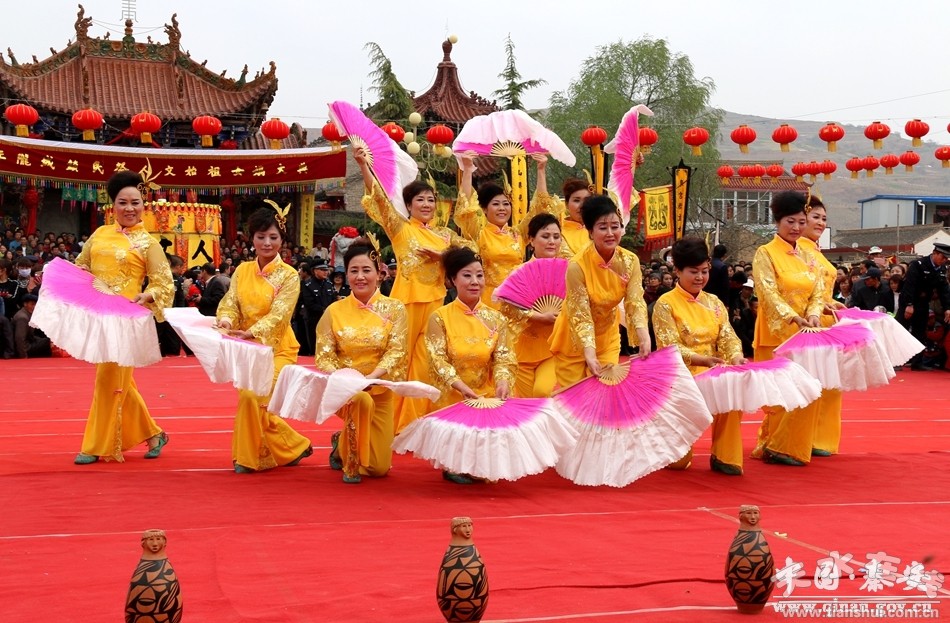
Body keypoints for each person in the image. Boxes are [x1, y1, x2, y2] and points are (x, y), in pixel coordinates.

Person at [354, 145, 472, 432]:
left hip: (435, 303)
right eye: (420, 200)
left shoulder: (446, 235)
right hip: (405, 304)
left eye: (431, 200)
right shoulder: (401, 228)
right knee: (397, 361)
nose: (427, 204)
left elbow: (471, 254)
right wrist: (363, 165)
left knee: (425, 362)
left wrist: (443, 256)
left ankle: (413, 424)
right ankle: (385, 422)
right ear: (408, 205)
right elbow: (379, 200)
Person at [74, 170, 174, 464]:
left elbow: (164, 283)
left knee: (108, 380)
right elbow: (81, 265)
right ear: (112, 205)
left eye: (135, 202)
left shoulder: (148, 244)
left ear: (144, 205)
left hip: (127, 319)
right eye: (123, 202)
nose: (130, 208)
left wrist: (148, 295)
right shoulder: (99, 234)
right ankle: (154, 433)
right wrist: (78, 274)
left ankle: (95, 446)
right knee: (120, 382)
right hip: (99, 318)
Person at [215, 206, 313, 473]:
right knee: (255, 404)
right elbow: (231, 302)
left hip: (278, 349)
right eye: (261, 236)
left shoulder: (289, 275)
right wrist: (226, 321)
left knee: (253, 397)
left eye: (273, 237)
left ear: (282, 239)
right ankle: (294, 445)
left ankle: (247, 458)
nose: (267, 243)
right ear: (252, 239)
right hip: (247, 349)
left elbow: (280, 314)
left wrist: (253, 331)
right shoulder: (242, 270)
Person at [315, 241, 408, 484]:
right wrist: (348, 381)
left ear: (379, 273)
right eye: (353, 270)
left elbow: (397, 350)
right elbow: (324, 356)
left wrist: (371, 378)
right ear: (346, 274)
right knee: (360, 400)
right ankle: (349, 456)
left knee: (378, 468)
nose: (360, 277)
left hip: (379, 390)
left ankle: (340, 444)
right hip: (346, 392)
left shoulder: (395, 309)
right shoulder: (334, 311)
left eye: (367, 270)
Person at [653, 238, 747, 474]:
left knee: (732, 386)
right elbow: (669, 347)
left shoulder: (714, 302)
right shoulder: (665, 304)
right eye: (693, 272)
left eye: (704, 271)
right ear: (677, 271)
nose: (700, 277)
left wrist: (736, 355)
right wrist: (702, 361)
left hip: (713, 370)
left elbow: (727, 336)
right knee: (678, 464)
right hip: (682, 375)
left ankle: (725, 455)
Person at [425, 246, 516, 484]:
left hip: (484, 395)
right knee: (463, 465)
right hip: (453, 396)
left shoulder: (496, 319)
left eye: (479, 275)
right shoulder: (439, 317)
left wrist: (503, 381)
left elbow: (504, 357)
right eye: (467, 275)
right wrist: (459, 386)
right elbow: (437, 359)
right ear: (452, 280)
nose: (475, 281)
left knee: (488, 473)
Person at [750, 190, 824, 466]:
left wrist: (813, 314)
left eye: (801, 222)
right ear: (778, 221)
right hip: (775, 333)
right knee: (778, 394)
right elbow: (767, 292)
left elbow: (817, 290)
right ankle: (772, 445)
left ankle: (790, 446)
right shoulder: (765, 253)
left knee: (805, 390)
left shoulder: (808, 255)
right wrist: (792, 317)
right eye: (790, 222)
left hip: (805, 335)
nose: (796, 227)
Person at [548, 195, 650, 387]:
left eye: (615, 226)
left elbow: (635, 302)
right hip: (573, 340)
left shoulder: (630, 261)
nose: (610, 233)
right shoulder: (577, 266)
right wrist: (589, 351)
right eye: (603, 227)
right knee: (577, 396)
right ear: (590, 232)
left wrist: (643, 335)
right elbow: (581, 315)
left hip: (606, 337)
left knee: (606, 392)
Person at [455, 153, 552, 307]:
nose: (502, 208)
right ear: (485, 209)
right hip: (489, 300)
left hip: (518, 298)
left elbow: (539, 209)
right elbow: (465, 207)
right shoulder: (479, 233)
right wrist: (467, 169)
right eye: (496, 204)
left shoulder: (518, 233)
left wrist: (541, 170)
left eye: (506, 204)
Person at [799, 196, 846, 457]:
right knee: (813, 383)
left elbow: (823, 293)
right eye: (815, 217)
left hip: (827, 321)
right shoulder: (798, 250)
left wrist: (835, 305)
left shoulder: (815, 251)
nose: (820, 222)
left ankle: (821, 438)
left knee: (829, 384)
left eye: (824, 219)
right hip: (810, 321)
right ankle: (807, 437)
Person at [498, 213, 563, 398]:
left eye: (556, 237)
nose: (552, 242)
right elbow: (506, 309)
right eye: (545, 236)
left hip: (553, 348)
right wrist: (536, 316)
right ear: (532, 240)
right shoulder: (518, 273)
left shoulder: (569, 272)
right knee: (524, 404)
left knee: (543, 392)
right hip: (521, 350)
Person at [899, 242, 950, 370]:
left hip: (923, 303)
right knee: (901, 331)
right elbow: (909, 285)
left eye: (946, 258)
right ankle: (895, 362)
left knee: (920, 332)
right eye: (943, 257)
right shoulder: (918, 264)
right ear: (934, 253)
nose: (944, 260)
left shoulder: (941, 269)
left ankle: (917, 362)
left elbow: (943, 290)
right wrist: (909, 304)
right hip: (908, 302)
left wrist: (947, 308)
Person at [299, 262, 336, 355]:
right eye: (322, 270)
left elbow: (333, 299)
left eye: (326, 270)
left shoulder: (329, 284)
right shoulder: (307, 285)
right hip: (314, 318)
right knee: (315, 346)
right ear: (315, 271)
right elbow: (309, 303)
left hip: (329, 319)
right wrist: (324, 310)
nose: (325, 272)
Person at [13, 293, 51, 358]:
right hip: (25, 348)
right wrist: (23, 356)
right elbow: (19, 339)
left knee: (49, 340)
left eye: (36, 304)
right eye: (32, 304)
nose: (34, 307)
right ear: (25, 304)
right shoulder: (22, 317)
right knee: (47, 342)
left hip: (29, 342)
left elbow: (30, 336)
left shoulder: (28, 314)